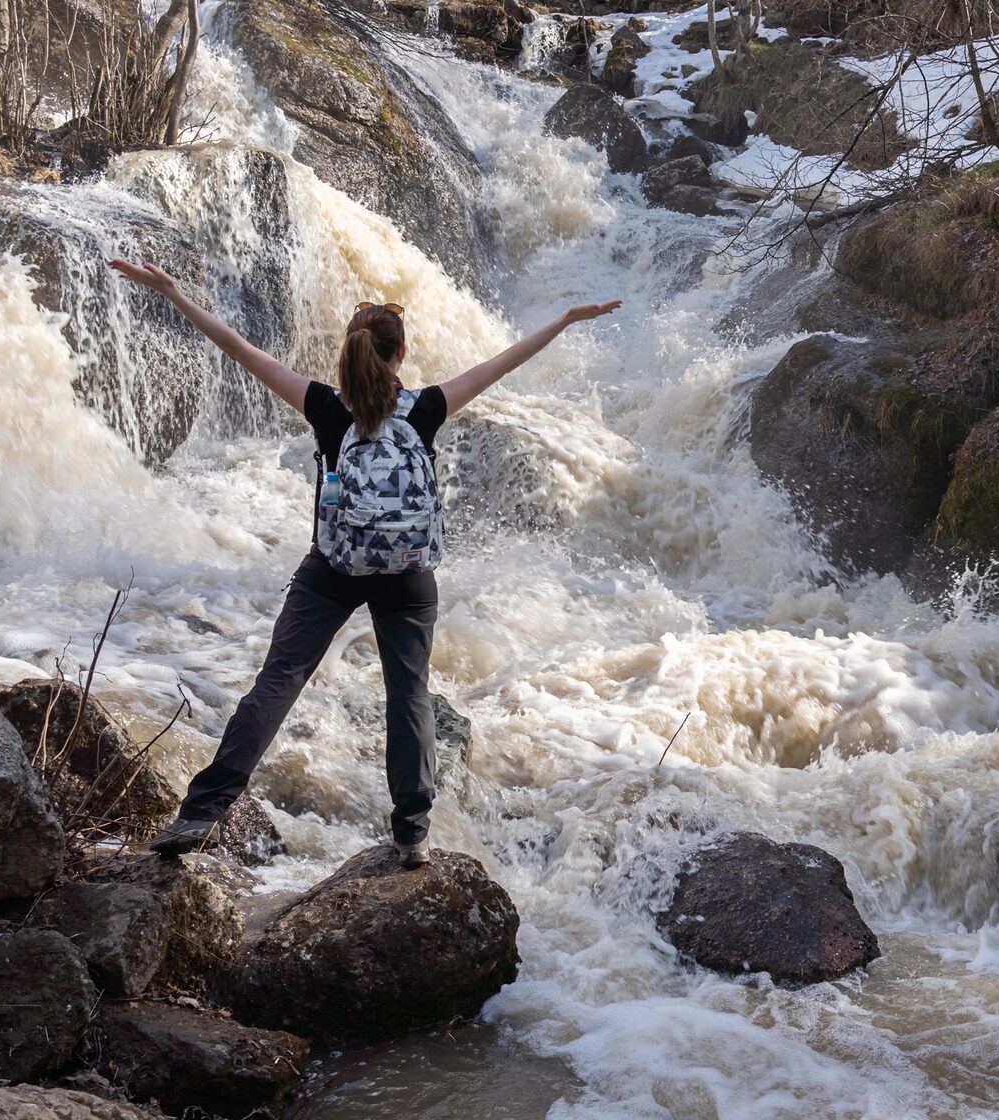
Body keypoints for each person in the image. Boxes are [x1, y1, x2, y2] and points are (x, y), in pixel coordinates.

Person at [108, 259, 620, 867]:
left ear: (350, 354)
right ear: (400, 355)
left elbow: (237, 347)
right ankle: (412, 835)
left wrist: (174, 293)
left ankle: (201, 813)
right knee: (409, 695)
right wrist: (562, 320)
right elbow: (502, 362)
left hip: (334, 567)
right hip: (407, 573)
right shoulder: (427, 408)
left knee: (279, 681)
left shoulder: (325, 407)